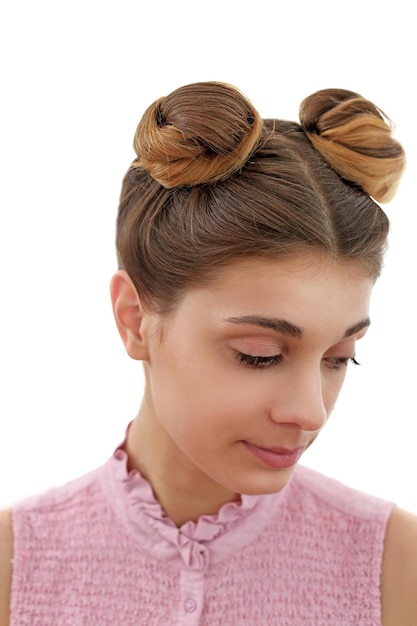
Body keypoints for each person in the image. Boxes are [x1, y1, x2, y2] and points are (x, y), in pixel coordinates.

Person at [0, 81, 416, 625]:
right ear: (135, 320)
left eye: (340, 356)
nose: (311, 412)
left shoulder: (396, 566)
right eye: (259, 354)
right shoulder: (17, 565)